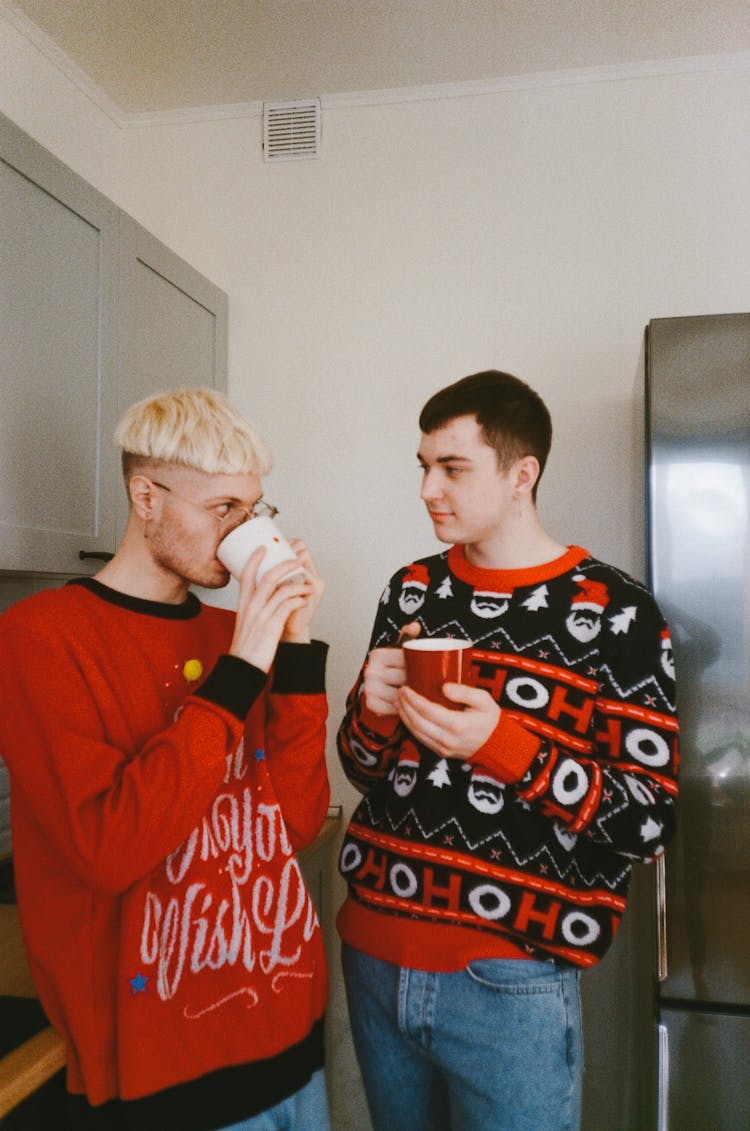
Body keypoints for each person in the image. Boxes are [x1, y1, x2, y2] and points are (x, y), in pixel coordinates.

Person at [336, 370, 679, 1131]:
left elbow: (649, 822)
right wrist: (372, 709)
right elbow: (363, 768)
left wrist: (505, 745)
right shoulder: (412, 590)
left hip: (510, 980)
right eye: (422, 465)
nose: (428, 487)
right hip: (373, 952)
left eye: (452, 468)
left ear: (522, 474)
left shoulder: (615, 609)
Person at [0, 388, 332, 1131]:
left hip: (287, 1026)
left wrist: (298, 651)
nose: (243, 530)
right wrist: (243, 668)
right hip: (165, 1069)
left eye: (254, 510)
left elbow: (298, 823)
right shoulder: (39, 637)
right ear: (145, 496)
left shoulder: (233, 632)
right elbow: (110, 847)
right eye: (223, 509)